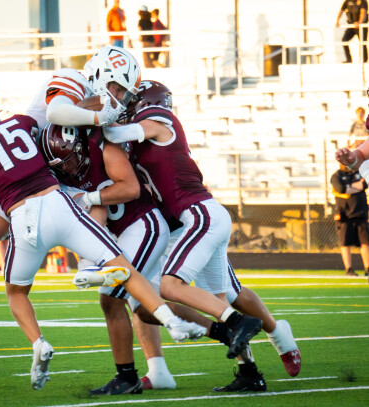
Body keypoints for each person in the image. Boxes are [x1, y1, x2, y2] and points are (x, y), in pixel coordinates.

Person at [0, 96, 216, 391]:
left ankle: (37, 342)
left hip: (24, 216)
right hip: (59, 204)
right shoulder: (22, 123)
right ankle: (170, 321)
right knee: (123, 269)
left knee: (16, 292)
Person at [107, 80, 302, 390]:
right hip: (193, 219)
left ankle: (255, 327)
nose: (127, 107)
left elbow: (116, 133)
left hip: (198, 216)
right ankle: (249, 373)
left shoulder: (159, 119)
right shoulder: (144, 141)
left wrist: (90, 120)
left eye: (132, 102)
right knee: (217, 298)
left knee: (173, 287)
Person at [40, 123, 250, 394]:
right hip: (128, 233)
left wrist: (88, 201)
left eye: (69, 161)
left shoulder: (105, 149)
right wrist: (86, 259)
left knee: (110, 299)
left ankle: (126, 377)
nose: (67, 169)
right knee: (143, 310)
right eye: (61, 165)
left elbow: (130, 189)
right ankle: (225, 332)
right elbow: (95, 220)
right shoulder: (66, 176)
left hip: (143, 225)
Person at [331, 163, 369, 277]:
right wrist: (357, 187)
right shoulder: (336, 176)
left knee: (365, 242)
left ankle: (367, 268)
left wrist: (349, 188)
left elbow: (365, 183)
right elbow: (341, 188)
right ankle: (349, 269)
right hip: (344, 215)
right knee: (345, 243)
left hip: (360, 213)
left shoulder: (358, 173)